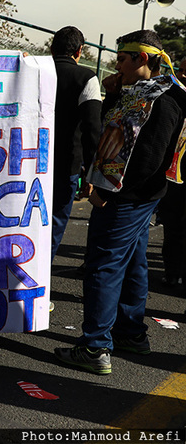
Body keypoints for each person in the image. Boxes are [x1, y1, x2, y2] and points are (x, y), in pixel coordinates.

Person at [54, 30, 186, 375]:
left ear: (143, 59)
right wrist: (114, 92)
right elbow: (122, 132)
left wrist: (106, 193)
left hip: (127, 198)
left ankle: (95, 346)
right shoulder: (146, 90)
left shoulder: (164, 100)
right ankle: (130, 332)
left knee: (103, 267)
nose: (117, 64)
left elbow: (148, 159)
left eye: (122, 58)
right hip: (137, 198)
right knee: (133, 262)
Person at [49, 27, 102, 261]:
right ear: (80, 50)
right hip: (66, 164)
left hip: (26, 162)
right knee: (54, 224)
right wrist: (92, 175)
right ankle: (39, 284)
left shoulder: (36, 71)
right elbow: (92, 130)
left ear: (52, 47)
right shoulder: (86, 78)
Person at [159, 57, 186, 289]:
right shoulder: (173, 97)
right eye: (181, 70)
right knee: (172, 224)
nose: (183, 75)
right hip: (173, 175)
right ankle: (172, 272)